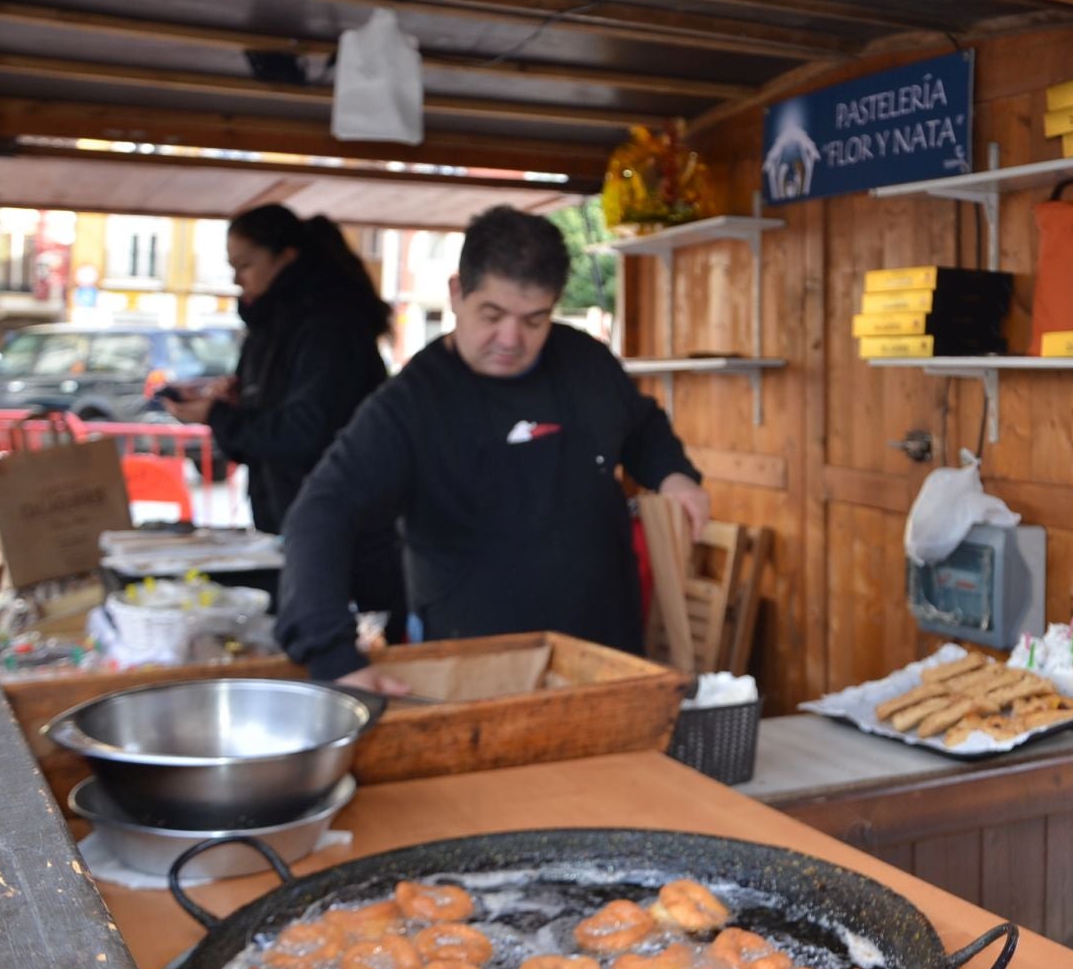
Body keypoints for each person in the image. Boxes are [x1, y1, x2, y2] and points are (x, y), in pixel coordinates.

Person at [275, 205, 709, 691]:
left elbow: (640, 424)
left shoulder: (584, 361)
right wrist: (332, 655)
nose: (511, 339)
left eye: (534, 319)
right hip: (475, 661)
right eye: (492, 314)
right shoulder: (412, 403)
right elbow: (321, 512)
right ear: (457, 293)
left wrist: (675, 475)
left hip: (606, 651)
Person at [165, 204, 407, 637]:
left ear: (287, 257)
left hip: (340, 529)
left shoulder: (327, 327)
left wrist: (220, 416)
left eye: (246, 265)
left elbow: (305, 431)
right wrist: (232, 409)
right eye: (233, 267)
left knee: (337, 642)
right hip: (288, 518)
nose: (238, 279)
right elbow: (271, 427)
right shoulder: (272, 326)